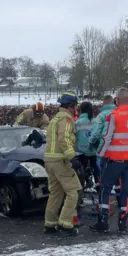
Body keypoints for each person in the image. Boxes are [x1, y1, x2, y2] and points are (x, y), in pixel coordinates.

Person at [91, 87, 128, 233]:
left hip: (114, 161)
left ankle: (103, 221)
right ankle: (123, 221)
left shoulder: (114, 115)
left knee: (105, 189)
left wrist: (100, 154)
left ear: (117, 99)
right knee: (126, 191)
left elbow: (107, 137)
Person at [43, 92, 81, 235]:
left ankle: (50, 223)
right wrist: (72, 157)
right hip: (60, 161)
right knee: (73, 191)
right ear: (70, 106)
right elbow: (63, 139)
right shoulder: (66, 118)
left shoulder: (55, 118)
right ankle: (65, 223)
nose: (76, 109)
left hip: (49, 161)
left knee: (55, 193)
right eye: (75, 106)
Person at [75, 101, 97, 188]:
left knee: (81, 173)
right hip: (94, 151)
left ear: (80, 110)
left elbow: (74, 137)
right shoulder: (96, 122)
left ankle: (81, 187)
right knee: (96, 171)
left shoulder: (77, 123)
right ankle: (99, 186)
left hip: (81, 152)